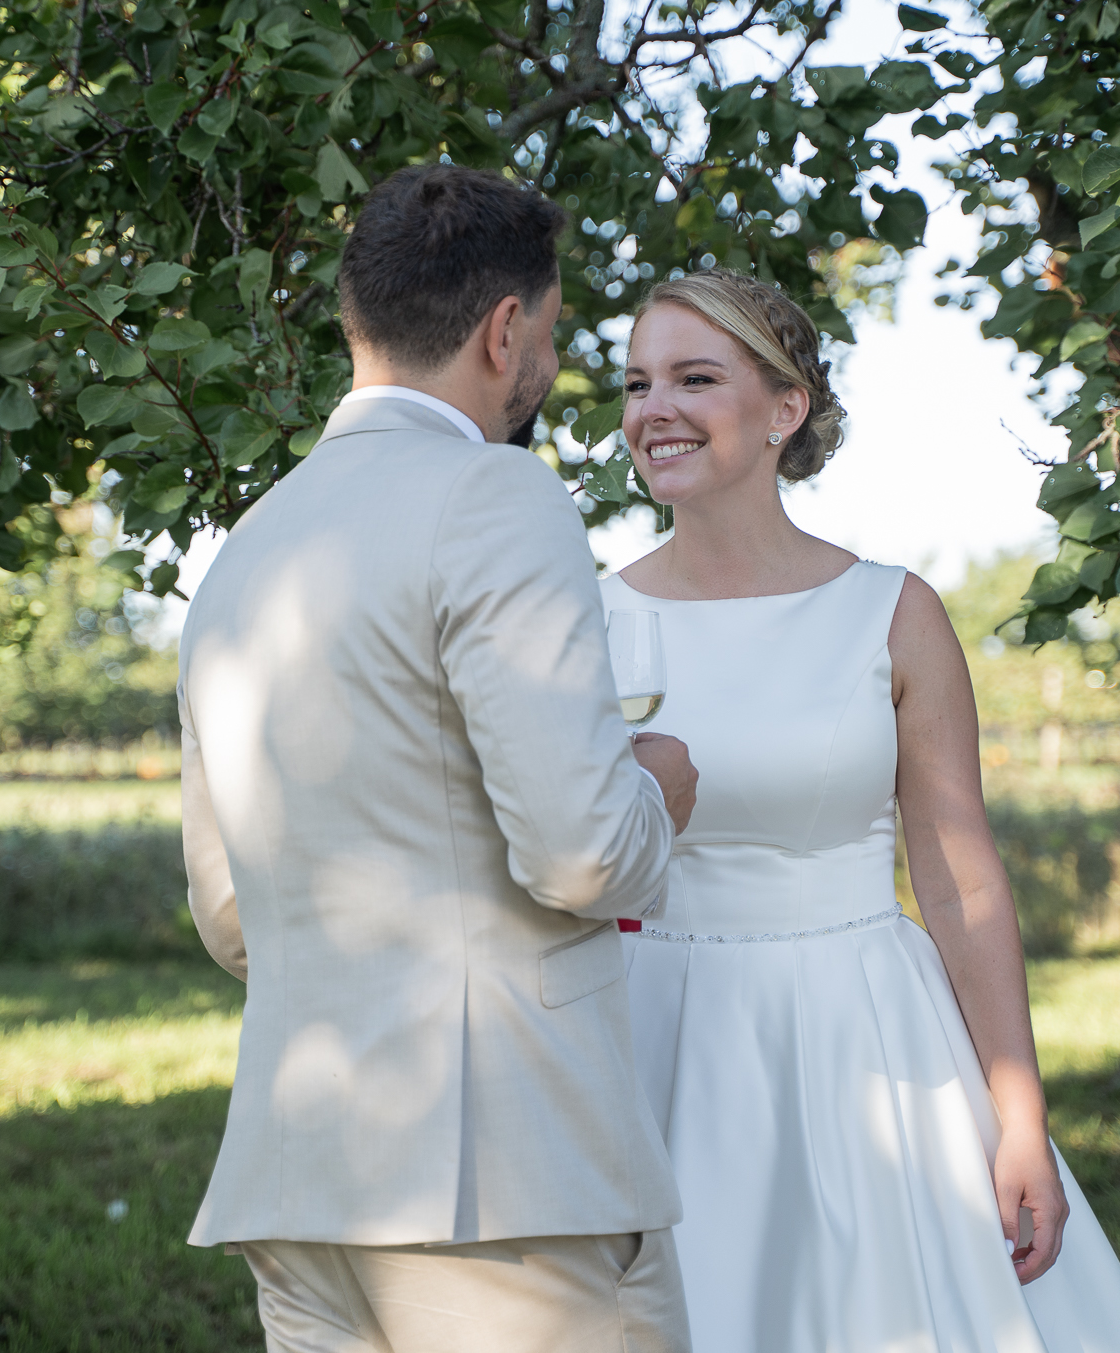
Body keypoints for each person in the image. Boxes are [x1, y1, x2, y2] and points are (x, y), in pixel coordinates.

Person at [174, 164, 702, 1353]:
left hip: (298, 1182)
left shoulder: (246, 549)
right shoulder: (495, 495)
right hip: (503, 1183)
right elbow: (581, 856)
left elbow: (229, 914)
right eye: (551, 333)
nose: (547, 361)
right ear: (504, 330)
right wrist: (654, 793)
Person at [603, 268, 1120, 1352]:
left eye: (693, 378)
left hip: (860, 1026)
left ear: (785, 408)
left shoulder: (891, 612)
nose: (653, 408)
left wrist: (1019, 1118)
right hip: (652, 1035)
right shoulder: (586, 620)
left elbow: (960, 881)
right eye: (635, 383)